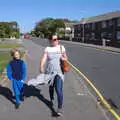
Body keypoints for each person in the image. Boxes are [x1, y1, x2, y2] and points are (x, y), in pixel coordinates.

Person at [40, 35, 68, 116]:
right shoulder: (47, 49)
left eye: (57, 39)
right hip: (50, 72)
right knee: (51, 87)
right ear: (50, 40)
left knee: (59, 90)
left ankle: (59, 108)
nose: (56, 40)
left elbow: (66, 58)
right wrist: (41, 66)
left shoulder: (61, 48)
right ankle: (51, 96)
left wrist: (64, 59)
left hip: (59, 72)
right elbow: (44, 58)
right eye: (54, 39)